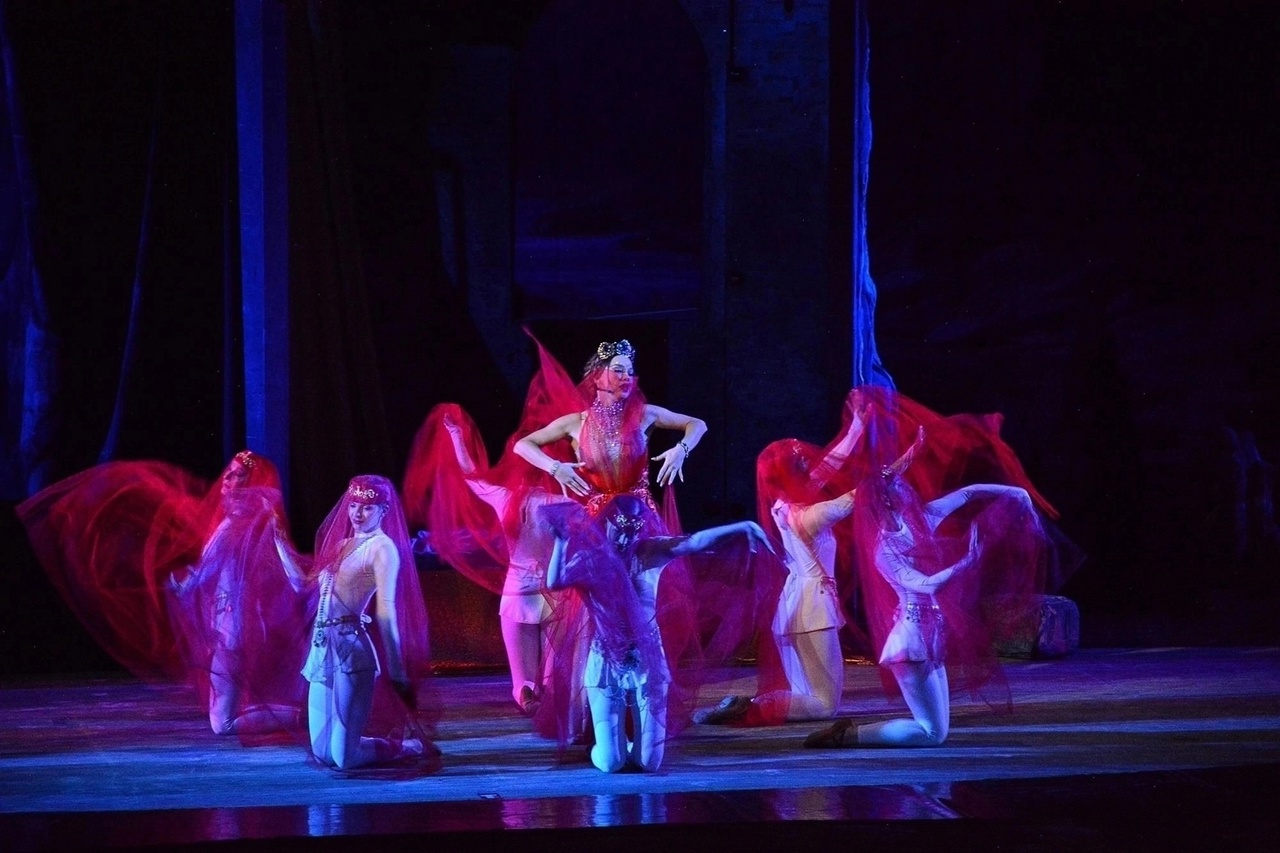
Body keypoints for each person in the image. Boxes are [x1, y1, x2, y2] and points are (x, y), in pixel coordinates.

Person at [804, 431, 1064, 748]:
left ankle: (848, 733)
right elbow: (926, 585)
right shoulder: (884, 550)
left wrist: (1016, 492)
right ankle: (847, 736)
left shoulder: (923, 518)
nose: (907, 485)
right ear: (886, 500)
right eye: (899, 484)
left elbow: (968, 494)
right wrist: (968, 559)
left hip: (930, 636)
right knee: (931, 733)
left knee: (937, 729)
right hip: (910, 643)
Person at [544, 494, 771, 772]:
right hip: (607, 661)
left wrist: (742, 526)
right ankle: (605, 748)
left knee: (649, 763)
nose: (626, 539)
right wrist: (561, 543)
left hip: (647, 659)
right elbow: (555, 582)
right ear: (607, 524)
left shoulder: (651, 552)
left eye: (633, 531)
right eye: (621, 530)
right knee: (611, 763)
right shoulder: (591, 559)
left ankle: (630, 746)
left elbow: (694, 542)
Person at [167, 450, 311, 737]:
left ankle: (303, 717)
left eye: (237, 476)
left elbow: (206, 571)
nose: (227, 480)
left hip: (232, 625)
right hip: (235, 622)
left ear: (250, 484)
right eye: (228, 473)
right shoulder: (255, 521)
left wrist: (180, 587)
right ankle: (303, 715)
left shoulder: (237, 524)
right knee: (224, 714)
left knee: (223, 723)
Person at [302, 475, 433, 770]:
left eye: (367, 507)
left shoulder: (382, 548)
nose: (357, 513)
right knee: (323, 754)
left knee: (344, 760)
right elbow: (307, 585)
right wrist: (277, 545)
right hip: (323, 646)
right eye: (353, 505)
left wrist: (396, 668)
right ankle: (361, 743)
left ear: (383, 510)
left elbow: (386, 609)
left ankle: (407, 747)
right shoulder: (343, 544)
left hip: (352, 650)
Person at [513, 339, 705, 515]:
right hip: (596, 521)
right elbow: (522, 445)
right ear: (596, 377)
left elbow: (698, 424)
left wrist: (682, 449)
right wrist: (554, 468)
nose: (627, 377)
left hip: (639, 516)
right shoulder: (576, 422)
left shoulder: (645, 415)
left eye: (630, 372)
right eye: (618, 370)